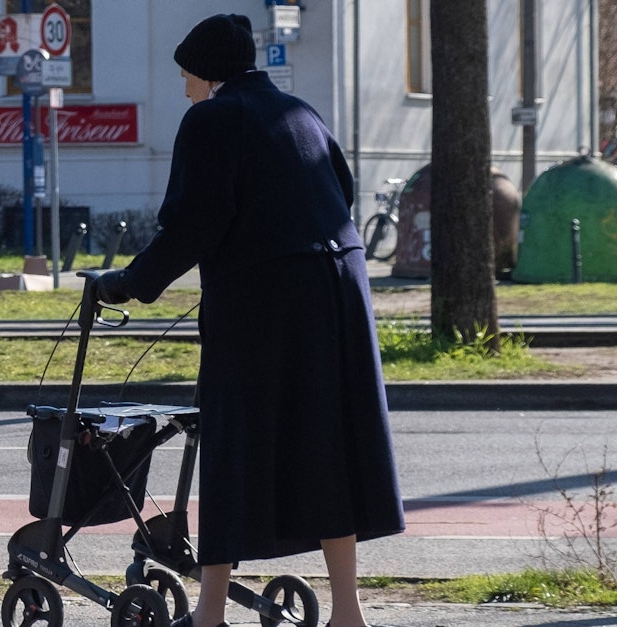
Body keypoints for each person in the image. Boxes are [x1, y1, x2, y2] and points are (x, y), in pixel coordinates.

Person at [94, 13, 404, 627]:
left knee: (235, 445)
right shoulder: (302, 114)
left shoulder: (212, 118)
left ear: (207, 71)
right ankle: (349, 612)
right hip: (341, 294)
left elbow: (193, 224)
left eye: (186, 73)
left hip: (266, 302)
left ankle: (210, 614)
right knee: (328, 444)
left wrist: (130, 284)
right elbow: (337, 195)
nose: (184, 85)